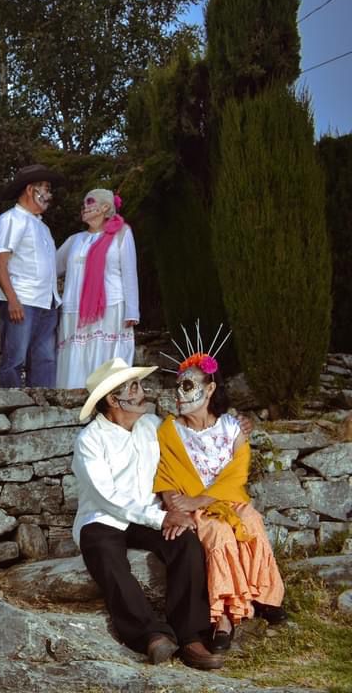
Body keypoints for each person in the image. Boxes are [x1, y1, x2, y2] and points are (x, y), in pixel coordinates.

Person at [71, 358, 224, 671]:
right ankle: (150, 635)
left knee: (185, 542)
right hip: (103, 518)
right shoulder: (90, 440)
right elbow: (108, 497)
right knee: (103, 552)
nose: (143, 391)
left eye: (139, 384)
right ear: (113, 400)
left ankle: (190, 635)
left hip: (151, 515)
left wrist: (174, 507)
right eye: (134, 387)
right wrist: (161, 519)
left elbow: (180, 459)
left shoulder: (152, 425)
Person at [153, 349, 287, 652]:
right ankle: (224, 617)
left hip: (225, 499)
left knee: (251, 520)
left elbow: (238, 474)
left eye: (188, 386)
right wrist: (177, 505)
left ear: (210, 389)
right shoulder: (170, 430)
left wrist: (202, 497)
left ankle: (265, 596)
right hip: (196, 510)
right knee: (219, 534)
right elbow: (165, 475)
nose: (179, 393)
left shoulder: (232, 427)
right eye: (177, 386)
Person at [55, 188, 139, 389]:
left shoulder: (122, 234)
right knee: (77, 355)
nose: (84, 207)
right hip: (75, 309)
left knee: (105, 355)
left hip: (111, 306)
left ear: (105, 207)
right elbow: (51, 268)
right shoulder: (74, 240)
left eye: (89, 202)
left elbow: (129, 273)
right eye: (83, 204)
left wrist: (132, 310)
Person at [0, 164, 64, 388]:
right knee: (15, 359)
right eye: (46, 189)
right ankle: (12, 406)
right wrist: (13, 300)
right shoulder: (10, 220)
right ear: (31, 189)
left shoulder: (42, 227)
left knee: (45, 359)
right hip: (22, 300)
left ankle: (43, 407)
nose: (49, 196)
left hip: (46, 302)